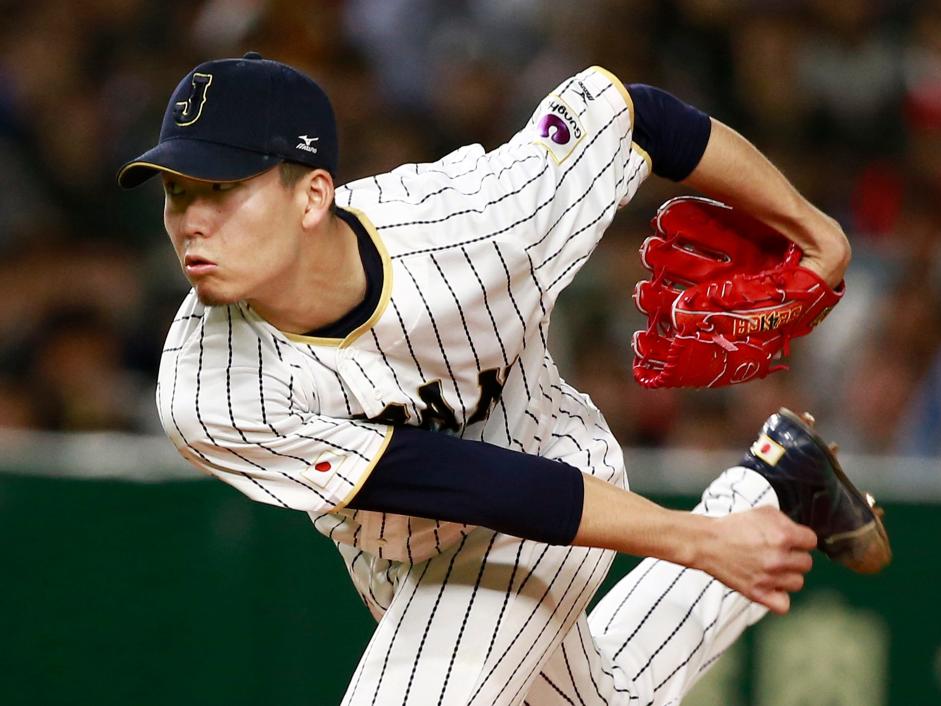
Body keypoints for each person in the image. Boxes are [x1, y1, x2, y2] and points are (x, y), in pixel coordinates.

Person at [118, 52, 877, 705]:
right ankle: (775, 487)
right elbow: (449, 478)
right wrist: (705, 538)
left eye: (221, 188)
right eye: (176, 190)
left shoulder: (475, 222)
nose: (192, 219)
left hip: (551, 470)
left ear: (312, 194)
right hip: (404, 557)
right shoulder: (208, 388)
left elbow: (633, 116)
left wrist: (817, 233)